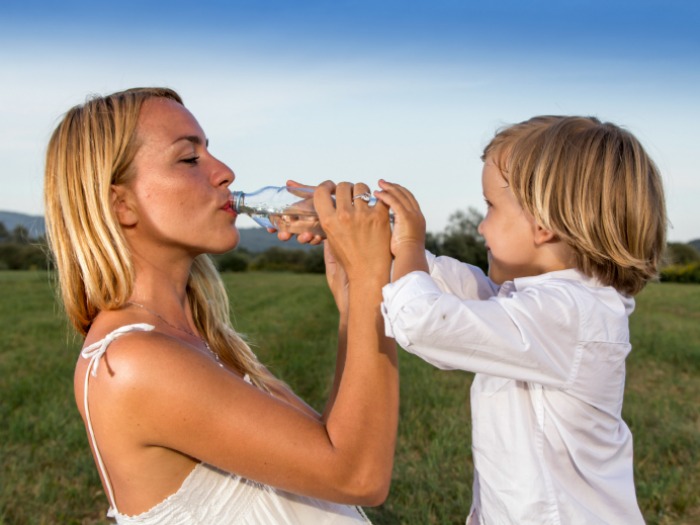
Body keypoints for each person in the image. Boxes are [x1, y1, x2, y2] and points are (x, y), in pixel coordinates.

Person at [44, 87, 398, 524]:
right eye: (189, 159)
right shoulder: (137, 362)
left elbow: (332, 443)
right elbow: (357, 475)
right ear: (122, 204)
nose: (226, 172)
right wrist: (370, 281)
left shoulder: (195, 337)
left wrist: (353, 302)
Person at [371, 116, 666, 524]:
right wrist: (373, 237)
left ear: (544, 224)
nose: (480, 225)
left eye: (491, 206)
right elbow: (458, 294)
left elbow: (425, 320)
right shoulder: (546, 302)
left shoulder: (569, 314)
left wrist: (408, 243)